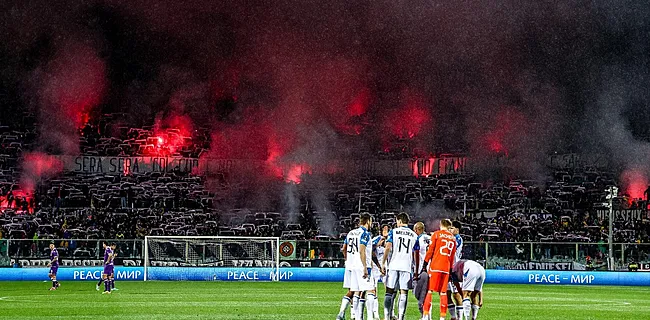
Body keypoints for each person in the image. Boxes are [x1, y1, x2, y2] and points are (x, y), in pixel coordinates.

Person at [382, 212, 418, 320]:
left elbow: (388, 247)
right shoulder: (414, 235)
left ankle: (387, 316)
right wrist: (415, 268)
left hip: (393, 265)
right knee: (403, 293)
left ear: (400, 221)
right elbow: (415, 253)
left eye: (397, 221)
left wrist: (383, 262)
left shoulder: (394, 232)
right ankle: (401, 317)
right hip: (406, 266)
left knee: (389, 291)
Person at [337, 213, 374, 320]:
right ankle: (370, 317)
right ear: (368, 221)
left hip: (351, 266)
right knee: (371, 290)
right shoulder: (365, 234)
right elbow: (362, 250)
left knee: (355, 291)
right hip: (361, 265)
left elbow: (343, 248)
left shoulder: (351, 233)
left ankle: (353, 316)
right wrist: (365, 266)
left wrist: (347, 259)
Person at [421, 219, 457, 320]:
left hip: (436, 266)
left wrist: (425, 263)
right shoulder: (453, 239)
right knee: (443, 293)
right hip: (446, 268)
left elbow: (431, 250)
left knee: (430, 291)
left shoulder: (436, 234)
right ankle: (442, 317)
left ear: (440, 225)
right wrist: (450, 270)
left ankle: (425, 315)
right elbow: (452, 256)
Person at [413, 222, 431, 318]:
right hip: (431, 269)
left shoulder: (418, 239)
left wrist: (416, 271)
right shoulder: (431, 238)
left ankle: (425, 316)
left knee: (419, 294)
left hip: (422, 269)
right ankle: (427, 316)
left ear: (417, 230)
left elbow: (416, 255)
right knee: (427, 293)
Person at [448, 221, 464, 320]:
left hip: (455, 268)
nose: (450, 230)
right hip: (446, 267)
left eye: (452, 228)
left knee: (456, 294)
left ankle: (460, 317)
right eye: (449, 228)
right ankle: (453, 316)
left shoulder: (458, 238)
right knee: (446, 293)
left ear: (457, 230)